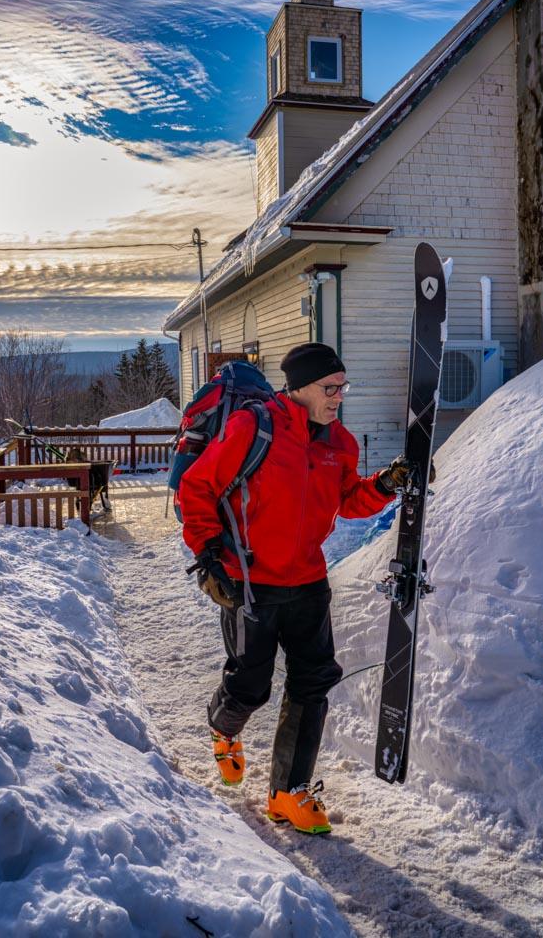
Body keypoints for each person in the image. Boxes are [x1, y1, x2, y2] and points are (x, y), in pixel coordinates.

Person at [178, 342, 417, 834]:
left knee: (313, 683)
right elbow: (197, 488)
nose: (339, 396)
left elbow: (348, 500)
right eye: (331, 387)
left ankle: (289, 793)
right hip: (249, 583)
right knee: (250, 685)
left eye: (343, 387)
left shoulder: (340, 443)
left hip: (309, 581)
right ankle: (224, 729)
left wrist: (387, 484)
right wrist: (206, 557)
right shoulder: (254, 428)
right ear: (301, 388)